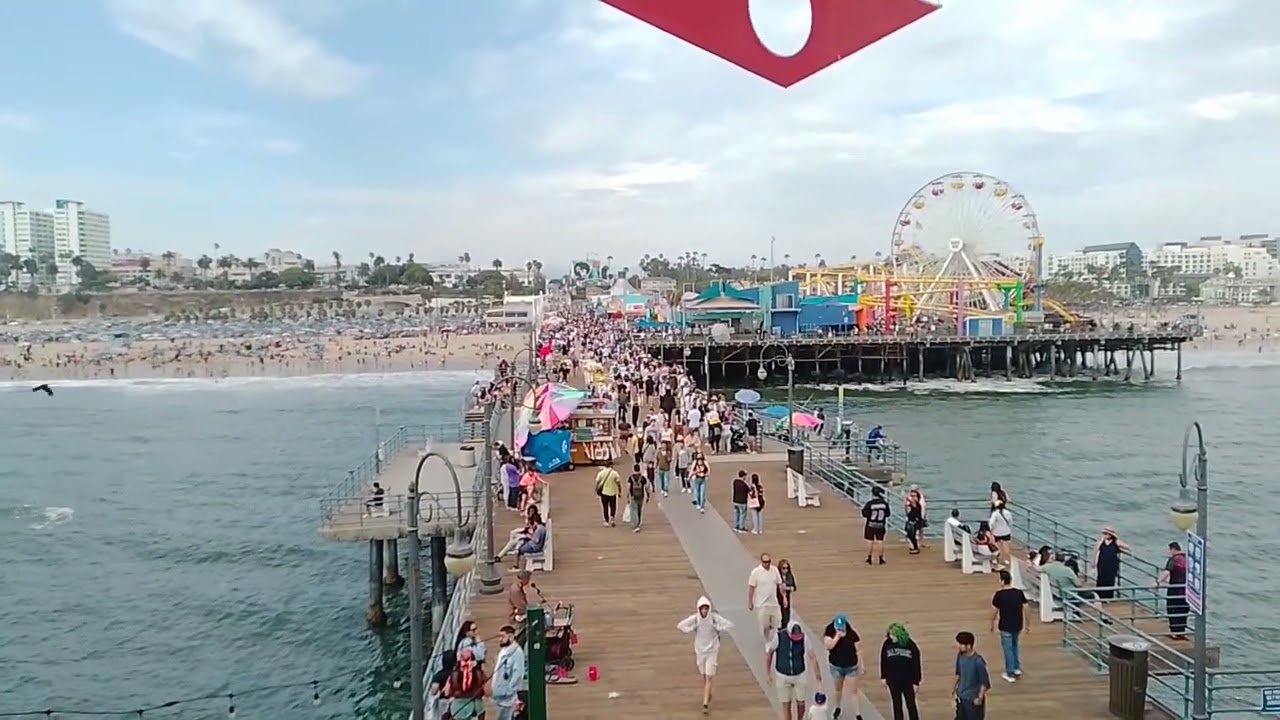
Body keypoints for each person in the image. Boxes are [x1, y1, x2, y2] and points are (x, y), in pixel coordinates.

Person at [676, 595, 734, 712]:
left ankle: (705, 703)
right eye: (702, 608)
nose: (704, 611)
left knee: (709, 677)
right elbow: (681, 625)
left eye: (706, 608)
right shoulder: (696, 619)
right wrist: (692, 627)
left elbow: (729, 624)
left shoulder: (713, 618)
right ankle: (708, 692)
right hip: (700, 650)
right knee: (704, 675)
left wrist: (718, 627)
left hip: (712, 650)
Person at [767, 623, 824, 720]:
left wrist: (818, 676)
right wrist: (768, 673)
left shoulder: (804, 638)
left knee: (801, 703)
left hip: (799, 674)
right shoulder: (779, 637)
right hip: (783, 675)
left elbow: (812, 657)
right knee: (786, 705)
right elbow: (770, 654)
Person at [990, 569, 1029, 682]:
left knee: (1008, 649)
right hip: (1018, 624)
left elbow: (994, 611)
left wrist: (992, 624)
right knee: (1015, 646)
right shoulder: (1018, 593)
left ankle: (1010, 672)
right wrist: (1028, 624)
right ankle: (1016, 667)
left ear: (1002, 581)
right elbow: (1026, 608)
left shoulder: (999, 595)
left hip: (1005, 625)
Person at [822, 613, 863, 720]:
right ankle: (837, 707)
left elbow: (858, 650)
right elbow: (829, 646)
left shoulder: (852, 633)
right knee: (838, 689)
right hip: (836, 666)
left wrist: (861, 665)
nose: (840, 629)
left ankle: (858, 714)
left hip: (851, 667)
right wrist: (837, 637)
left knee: (853, 691)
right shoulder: (830, 631)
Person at [879, 623, 922, 720]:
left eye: (893, 635)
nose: (891, 637)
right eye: (890, 635)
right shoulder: (887, 643)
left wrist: (916, 681)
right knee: (896, 704)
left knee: (911, 704)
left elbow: (916, 664)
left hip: (908, 681)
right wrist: (883, 676)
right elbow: (883, 660)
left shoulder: (911, 645)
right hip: (893, 680)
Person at [442, 646, 489, 719]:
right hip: (476, 707)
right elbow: (488, 692)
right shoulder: (480, 674)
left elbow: (447, 693)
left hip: (458, 708)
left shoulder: (453, 675)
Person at [1155, 541, 1189, 640]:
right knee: (1183, 610)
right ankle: (1181, 631)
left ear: (1173, 549)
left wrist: (1157, 582)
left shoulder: (1173, 559)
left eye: (1170, 550)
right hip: (1186, 590)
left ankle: (1174, 632)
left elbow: (1167, 572)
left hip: (1175, 588)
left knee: (1172, 609)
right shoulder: (1187, 559)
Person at [491, 624, 526, 720]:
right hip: (500, 696)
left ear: (511, 636)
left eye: (502, 636)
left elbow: (518, 674)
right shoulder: (504, 650)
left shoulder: (517, 653)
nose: (500, 639)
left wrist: (509, 691)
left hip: (508, 699)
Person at [748, 553, 784, 644]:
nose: (767, 564)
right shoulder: (756, 572)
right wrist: (750, 601)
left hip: (774, 603)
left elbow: (780, 584)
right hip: (762, 604)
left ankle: (774, 641)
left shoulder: (774, 570)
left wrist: (784, 598)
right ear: (761, 562)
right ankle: (767, 641)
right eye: (765, 562)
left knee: (778, 623)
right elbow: (751, 587)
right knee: (765, 625)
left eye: (769, 561)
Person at [953, 631, 990, 720]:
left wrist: (979, 698)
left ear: (969, 646)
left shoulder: (978, 662)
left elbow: (984, 682)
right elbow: (959, 674)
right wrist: (954, 690)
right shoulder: (960, 656)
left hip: (972, 699)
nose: (958, 646)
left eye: (961, 644)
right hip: (961, 697)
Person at [1092, 526, 1131, 600]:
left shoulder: (1116, 542)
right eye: (1105, 534)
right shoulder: (1100, 542)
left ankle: (1108, 597)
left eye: (1107, 534)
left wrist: (1130, 552)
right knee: (1101, 579)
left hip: (1112, 564)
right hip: (1102, 563)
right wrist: (1093, 562)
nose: (1105, 535)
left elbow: (1127, 546)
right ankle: (1099, 596)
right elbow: (1095, 551)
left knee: (1110, 580)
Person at [861, 487, 891, 565]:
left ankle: (869, 558)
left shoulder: (870, 504)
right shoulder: (884, 503)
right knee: (880, 541)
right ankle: (881, 558)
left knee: (870, 541)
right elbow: (888, 514)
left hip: (871, 524)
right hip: (881, 524)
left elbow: (865, 514)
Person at [988, 502, 1013, 570]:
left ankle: (998, 559)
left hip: (997, 532)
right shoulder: (1008, 513)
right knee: (1006, 547)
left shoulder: (995, 513)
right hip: (1006, 532)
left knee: (998, 547)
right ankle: (1006, 560)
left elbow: (991, 523)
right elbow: (1011, 522)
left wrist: (991, 530)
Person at [626, 462, 650, 532]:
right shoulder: (642, 478)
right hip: (641, 495)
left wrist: (628, 496)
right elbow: (647, 487)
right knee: (639, 509)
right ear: (639, 469)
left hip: (633, 495)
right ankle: (639, 523)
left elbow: (628, 487)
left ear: (634, 469)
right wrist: (648, 495)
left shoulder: (631, 478)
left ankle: (635, 525)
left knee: (633, 510)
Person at [777, 559, 797, 628]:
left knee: (786, 615)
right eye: (783, 568)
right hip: (778, 597)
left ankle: (785, 627)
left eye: (787, 568)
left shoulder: (790, 576)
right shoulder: (777, 576)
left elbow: (794, 587)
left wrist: (788, 588)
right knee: (781, 614)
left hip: (787, 598)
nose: (786, 570)